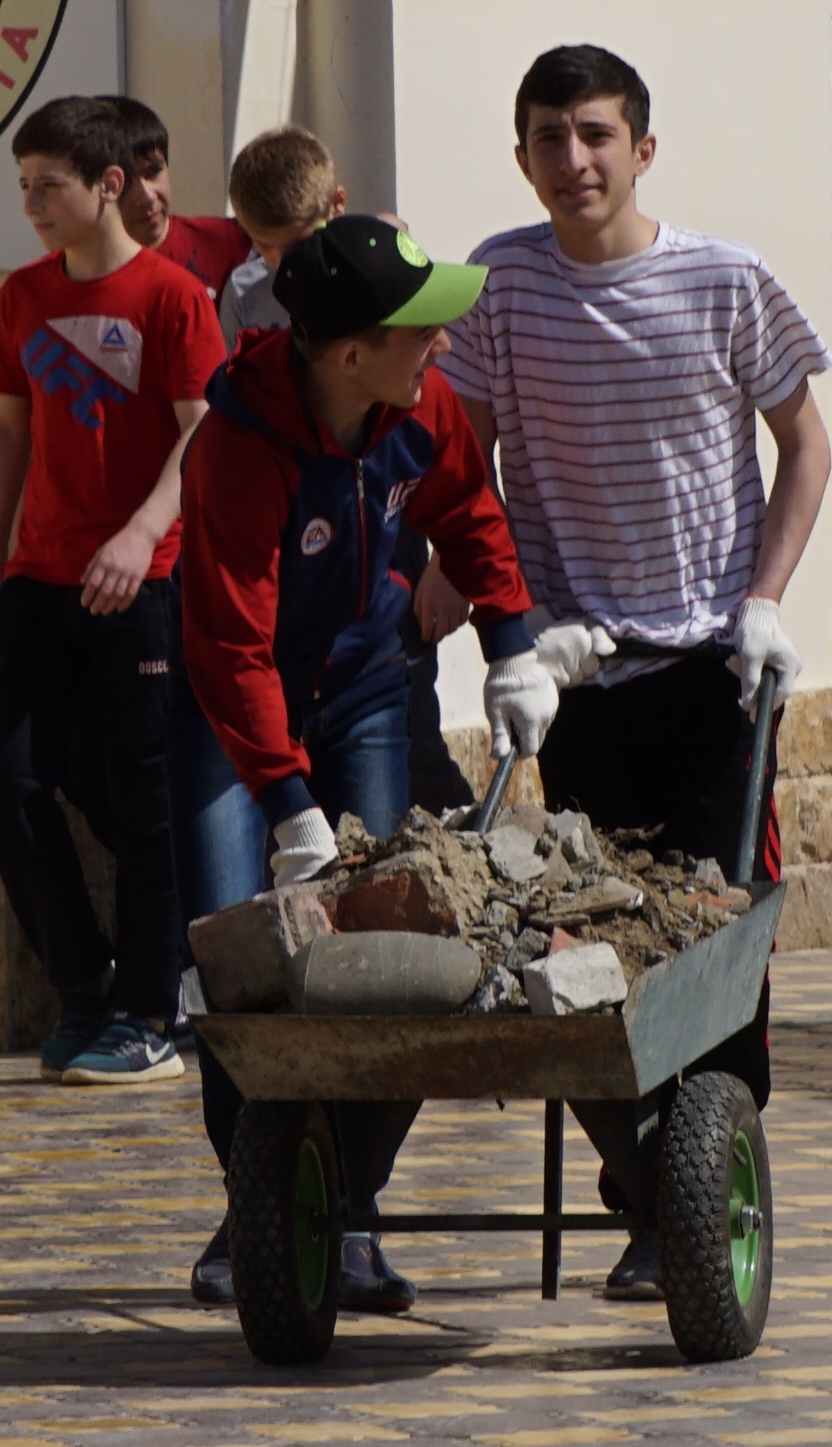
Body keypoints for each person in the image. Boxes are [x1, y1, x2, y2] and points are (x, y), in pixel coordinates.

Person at [438, 43, 832, 1299]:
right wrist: (485, 626)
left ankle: (701, 1182)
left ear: (642, 148)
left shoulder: (725, 279)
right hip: (580, 676)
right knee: (594, 944)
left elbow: (805, 442)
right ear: (521, 158)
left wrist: (763, 602)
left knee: (715, 937)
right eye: (549, 139)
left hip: (713, 671)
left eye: (596, 134)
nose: (574, 160)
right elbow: (462, 476)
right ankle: (645, 1186)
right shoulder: (498, 285)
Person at [169, 214, 558, 1310]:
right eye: (420, 328)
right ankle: (261, 1203)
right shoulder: (236, 451)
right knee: (243, 969)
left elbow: (466, 509)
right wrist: (289, 810)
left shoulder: (415, 404)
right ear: (348, 354)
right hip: (230, 716)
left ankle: (346, 1211)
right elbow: (231, 651)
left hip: (367, 689)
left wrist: (512, 648)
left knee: (384, 950)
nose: (443, 343)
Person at [0, 96, 226, 1085]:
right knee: (12, 779)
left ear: (109, 185)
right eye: (23, 186)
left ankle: (150, 1012)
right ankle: (82, 983)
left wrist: (140, 534)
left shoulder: (175, 298)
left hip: (144, 580)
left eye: (48, 186)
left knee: (141, 801)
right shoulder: (20, 294)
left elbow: (201, 433)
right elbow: (13, 436)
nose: (31, 205)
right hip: (39, 576)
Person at [219, 124, 475, 815]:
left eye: (295, 241)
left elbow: (438, 424)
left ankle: (443, 831)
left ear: (337, 204)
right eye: (263, 245)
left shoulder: (388, 252)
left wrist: (451, 563)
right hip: (299, 511)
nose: (281, 261)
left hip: (383, 505)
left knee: (406, 705)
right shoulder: (245, 290)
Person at [104, 95, 251, 305]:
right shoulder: (71, 272)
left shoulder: (233, 242)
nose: (147, 196)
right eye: (124, 182)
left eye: (153, 172)